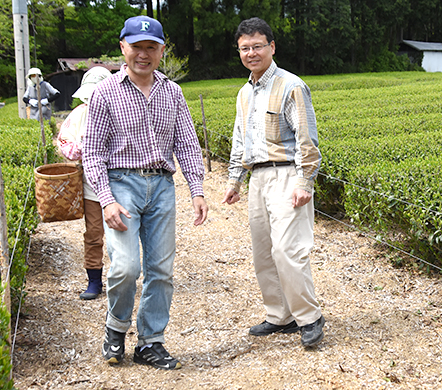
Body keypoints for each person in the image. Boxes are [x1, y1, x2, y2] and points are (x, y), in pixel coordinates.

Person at [83, 15, 208, 370]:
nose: (143, 54)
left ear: (161, 50)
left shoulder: (172, 91)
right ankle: (116, 327)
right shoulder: (106, 92)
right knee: (125, 267)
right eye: (136, 47)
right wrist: (105, 199)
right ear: (123, 47)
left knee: (161, 270)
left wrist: (196, 190)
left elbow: (186, 142)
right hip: (122, 186)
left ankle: (151, 342)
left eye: (150, 47)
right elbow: (92, 151)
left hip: (162, 187)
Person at [222, 17, 325, 348]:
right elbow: (241, 138)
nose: (252, 53)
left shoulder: (291, 85)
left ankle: (310, 317)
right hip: (258, 178)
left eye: (258, 46)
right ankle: (280, 315)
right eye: (245, 48)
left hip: (286, 174)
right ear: (239, 51)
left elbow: (306, 138)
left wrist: (304, 182)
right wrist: (234, 180)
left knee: (288, 250)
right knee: (264, 251)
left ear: (272, 47)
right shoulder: (243, 92)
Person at [56, 66, 112, 301]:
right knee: (94, 233)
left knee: (122, 234)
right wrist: (84, 147)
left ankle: (121, 278)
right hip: (92, 186)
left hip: (121, 183)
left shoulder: (121, 110)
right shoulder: (79, 114)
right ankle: (94, 280)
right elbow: (65, 144)